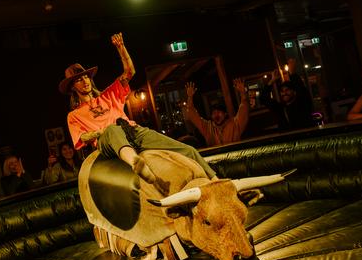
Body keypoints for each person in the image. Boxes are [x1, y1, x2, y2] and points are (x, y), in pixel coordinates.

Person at [60, 32, 216, 196]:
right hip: (107, 141)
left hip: (131, 131)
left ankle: (217, 181)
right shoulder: (74, 115)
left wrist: (121, 48)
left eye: (86, 77)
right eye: (79, 80)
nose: (85, 81)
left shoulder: (108, 95)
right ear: (72, 87)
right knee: (112, 129)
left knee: (188, 150)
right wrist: (98, 133)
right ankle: (136, 163)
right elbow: (81, 138)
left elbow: (129, 72)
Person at [185, 78, 249, 146]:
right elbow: (192, 115)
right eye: (213, 113)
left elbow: (244, 109)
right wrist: (190, 97)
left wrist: (243, 92)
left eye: (219, 112)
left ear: (225, 114)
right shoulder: (208, 127)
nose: (216, 115)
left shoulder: (235, 124)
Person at [259, 60, 314, 131]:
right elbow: (263, 99)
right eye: (282, 91)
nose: (284, 93)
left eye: (287, 90)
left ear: (294, 92)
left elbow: (301, 89)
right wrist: (272, 81)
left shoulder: (302, 103)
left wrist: (292, 73)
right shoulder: (280, 108)